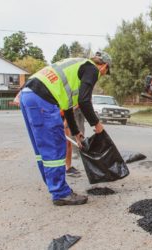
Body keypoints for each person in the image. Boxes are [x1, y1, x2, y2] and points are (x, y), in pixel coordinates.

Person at [19, 51, 112, 206]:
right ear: (104, 66)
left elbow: (67, 107)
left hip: (28, 95)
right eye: (105, 73)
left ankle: (54, 185)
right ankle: (60, 193)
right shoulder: (92, 69)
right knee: (55, 146)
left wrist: (76, 133)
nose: (101, 76)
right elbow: (84, 101)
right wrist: (97, 124)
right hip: (43, 99)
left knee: (43, 147)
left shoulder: (76, 65)